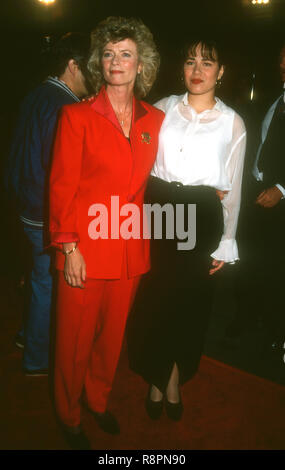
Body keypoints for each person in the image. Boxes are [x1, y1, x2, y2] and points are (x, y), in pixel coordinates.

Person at [49, 16, 164, 449]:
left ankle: (97, 400)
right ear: (100, 61)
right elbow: (61, 186)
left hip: (130, 251)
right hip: (83, 248)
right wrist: (69, 247)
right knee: (73, 341)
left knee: (111, 339)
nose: (116, 61)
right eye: (110, 53)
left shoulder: (156, 118)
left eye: (126, 54)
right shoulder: (75, 116)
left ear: (141, 64)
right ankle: (68, 412)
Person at [127, 39, 247, 421]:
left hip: (200, 214)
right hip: (159, 208)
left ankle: (174, 376)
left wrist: (227, 241)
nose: (198, 70)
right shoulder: (161, 109)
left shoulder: (233, 122)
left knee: (190, 302)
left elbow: (234, 185)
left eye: (207, 63)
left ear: (221, 71)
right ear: (181, 69)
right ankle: (156, 373)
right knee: (157, 297)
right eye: (191, 61)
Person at [5, 32, 91, 376]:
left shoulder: (37, 93)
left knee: (37, 280)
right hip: (44, 211)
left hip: (25, 205)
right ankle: (38, 359)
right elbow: (59, 171)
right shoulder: (63, 105)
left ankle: (28, 337)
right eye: (91, 67)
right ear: (72, 65)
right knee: (46, 285)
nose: (98, 75)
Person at [231, 43, 285, 359]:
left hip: (280, 199)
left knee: (279, 270)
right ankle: (246, 318)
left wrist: (281, 188)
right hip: (257, 193)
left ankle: (278, 332)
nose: (283, 72)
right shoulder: (275, 101)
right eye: (280, 66)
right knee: (252, 263)